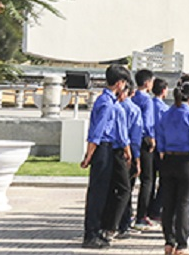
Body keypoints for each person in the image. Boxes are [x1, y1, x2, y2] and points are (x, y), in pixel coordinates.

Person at [81, 64, 131, 250]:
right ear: (119, 83)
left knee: (115, 189)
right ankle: (91, 234)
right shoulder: (105, 103)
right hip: (103, 148)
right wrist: (89, 155)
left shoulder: (112, 102)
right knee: (98, 193)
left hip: (111, 148)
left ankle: (104, 227)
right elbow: (97, 132)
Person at [155, 80, 189, 255]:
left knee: (168, 203)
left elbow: (159, 140)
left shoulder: (166, 114)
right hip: (187, 161)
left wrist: (164, 155)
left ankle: (168, 241)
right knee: (185, 204)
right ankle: (182, 244)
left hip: (168, 159)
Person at [113, 83, 143, 239]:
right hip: (127, 153)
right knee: (127, 190)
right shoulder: (134, 110)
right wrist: (136, 159)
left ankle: (113, 222)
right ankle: (123, 225)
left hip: (114, 152)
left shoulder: (113, 106)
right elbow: (136, 137)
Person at [131, 69, 156, 230]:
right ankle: (142, 215)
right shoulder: (147, 100)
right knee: (147, 180)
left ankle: (128, 214)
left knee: (131, 179)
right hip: (143, 141)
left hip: (131, 140)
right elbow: (147, 123)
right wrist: (151, 139)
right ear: (147, 83)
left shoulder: (132, 97)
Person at [147, 77, 170, 223]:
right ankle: (156, 209)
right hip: (160, 147)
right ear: (163, 91)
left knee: (149, 180)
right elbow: (163, 130)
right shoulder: (164, 109)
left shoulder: (150, 104)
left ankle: (148, 209)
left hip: (149, 145)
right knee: (164, 181)